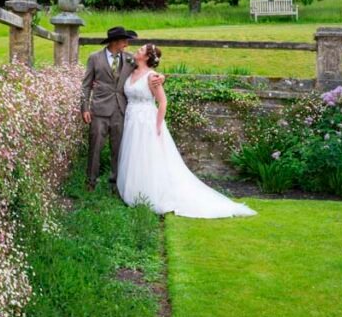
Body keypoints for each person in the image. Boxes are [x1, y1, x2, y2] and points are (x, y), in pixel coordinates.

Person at [116, 43, 256, 219]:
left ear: (147, 57)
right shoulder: (131, 68)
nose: (138, 50)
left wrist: (157, 126)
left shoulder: (152, 77)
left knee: (148, 158)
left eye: (142, 49)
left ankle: (149, 194)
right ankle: (134, 191)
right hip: (131, 120)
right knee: (134, 156)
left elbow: (163, 102)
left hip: (146, 122)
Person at [80, 26, 163, 192]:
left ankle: (115, 183)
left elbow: (146, 70)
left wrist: (160, 77)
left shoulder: (130, 59)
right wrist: (85, 108)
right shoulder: (95, 58)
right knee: (95, 147)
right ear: (115, 42)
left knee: (118, 149)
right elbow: (86, 85)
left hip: (121, 110)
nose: (127, 44)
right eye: (124, 40)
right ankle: (91, 182)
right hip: (99, 109)